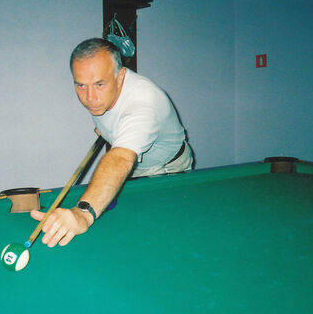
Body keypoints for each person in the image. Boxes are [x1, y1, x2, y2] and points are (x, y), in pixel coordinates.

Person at [30, 38, 193, 247]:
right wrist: (109, 130)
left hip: (167, 170)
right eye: (81, 85)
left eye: (99, 84)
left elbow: (121, 158)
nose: (89, 97)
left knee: (160, 236)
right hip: (133, 167)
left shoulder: (144, 103)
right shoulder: (99, 97)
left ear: (120, 76)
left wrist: (83, 213)